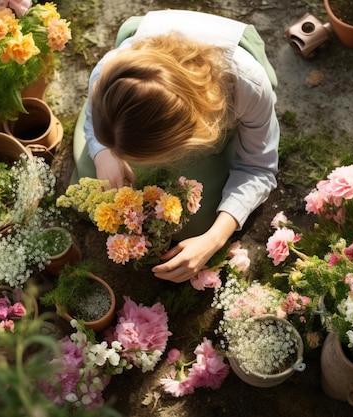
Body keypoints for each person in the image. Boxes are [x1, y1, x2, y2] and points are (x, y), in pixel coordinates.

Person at [72, 10, 280, 283]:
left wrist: (213, 240)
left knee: (197, 221)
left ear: (190, 139)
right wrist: (103, 152)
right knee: (92, 185)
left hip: (230, 92)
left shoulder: (247, 86)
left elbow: (258, 167)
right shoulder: (108, 70)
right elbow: (94, 120)